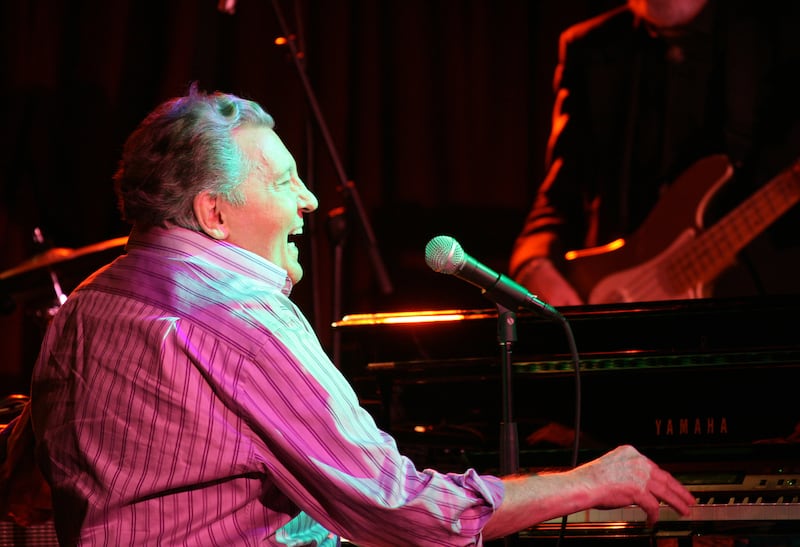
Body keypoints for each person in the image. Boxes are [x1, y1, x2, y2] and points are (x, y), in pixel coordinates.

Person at [26, 85, 695, 546]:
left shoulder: (82, 306)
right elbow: (400, 506)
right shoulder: (245, 318)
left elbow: (23, 482)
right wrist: (588, 481)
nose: (310, 200)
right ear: (214, 214)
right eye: (285, 180)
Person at [510, 0, 800, 306]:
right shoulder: (588, 47)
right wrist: (534, 265)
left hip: (759, 322)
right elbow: (560, 199)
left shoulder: (784, 34)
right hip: (617, 308)